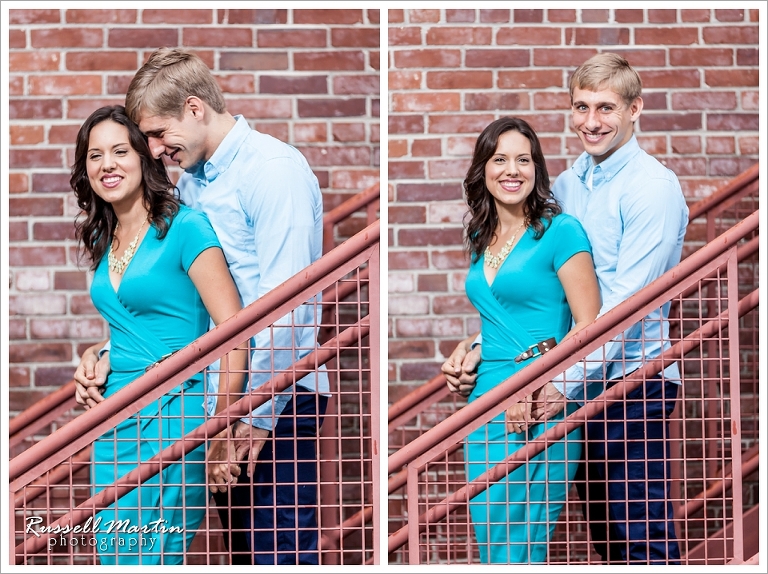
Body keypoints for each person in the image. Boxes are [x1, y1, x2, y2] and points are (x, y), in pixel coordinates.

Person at [73, 47, 329, 565]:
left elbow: (290, 307)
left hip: (276, 399)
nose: (155, 150)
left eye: (157, 134)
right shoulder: (193, 180)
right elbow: (186, 298)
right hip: (225, 398)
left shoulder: (272, 171)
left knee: (278, 556)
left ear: (194, 109)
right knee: (240, 556)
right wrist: (108, 349)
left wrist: (252, 417)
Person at [444, 53, 688, 564]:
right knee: (601, 532)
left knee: (638, 533)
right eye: (581, 106)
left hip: (631, 381)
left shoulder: (652, 187)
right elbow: (543, 289)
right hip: (573, 378)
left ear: (635, 109)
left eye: (606, 107)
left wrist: (557, 382)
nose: (591, 121)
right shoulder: (571, 185)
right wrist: (480, 346)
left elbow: (625, 303)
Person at [71, 105, 247, 564]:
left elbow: (234, 335)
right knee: (113, 553)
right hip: (113, 420)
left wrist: (221, 431)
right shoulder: (103, 239)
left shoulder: (186, 228)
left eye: (119, 151)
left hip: (175, 413)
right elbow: (129, 322)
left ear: (144, 157)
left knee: (155, 557)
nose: (106, 164)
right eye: (94, 155)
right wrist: (96, 352)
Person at [441, 117, 601, 564]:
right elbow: (504, 313)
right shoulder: (481, 235)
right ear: (483, 169)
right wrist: (470, 350)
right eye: (500, 159)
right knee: (491, 534)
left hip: (540, 397)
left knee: (524, 540)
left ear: (537, 169)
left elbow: (588, 324)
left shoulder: (561, 231)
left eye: (523, 160)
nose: (512, 170)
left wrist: (539, 385)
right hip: (485, 398)